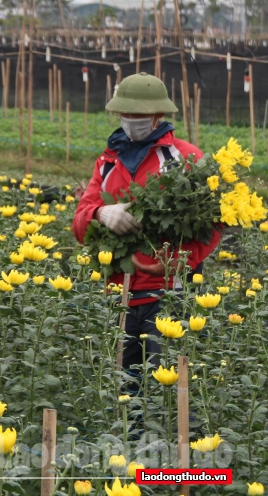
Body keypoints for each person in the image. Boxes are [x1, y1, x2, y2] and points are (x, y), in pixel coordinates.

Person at [71, 72, 222, 384]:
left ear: (158, 116)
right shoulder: (108, 161)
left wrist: (176, 262)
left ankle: (174, 436)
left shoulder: (186, 158)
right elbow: (80, 223)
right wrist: (102, 213)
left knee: (167, 389)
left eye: (139, 115)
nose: (131, 120)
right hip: (118, 296)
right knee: (121, 391)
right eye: (126, 113)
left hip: (168, 296)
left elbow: (214, 223)